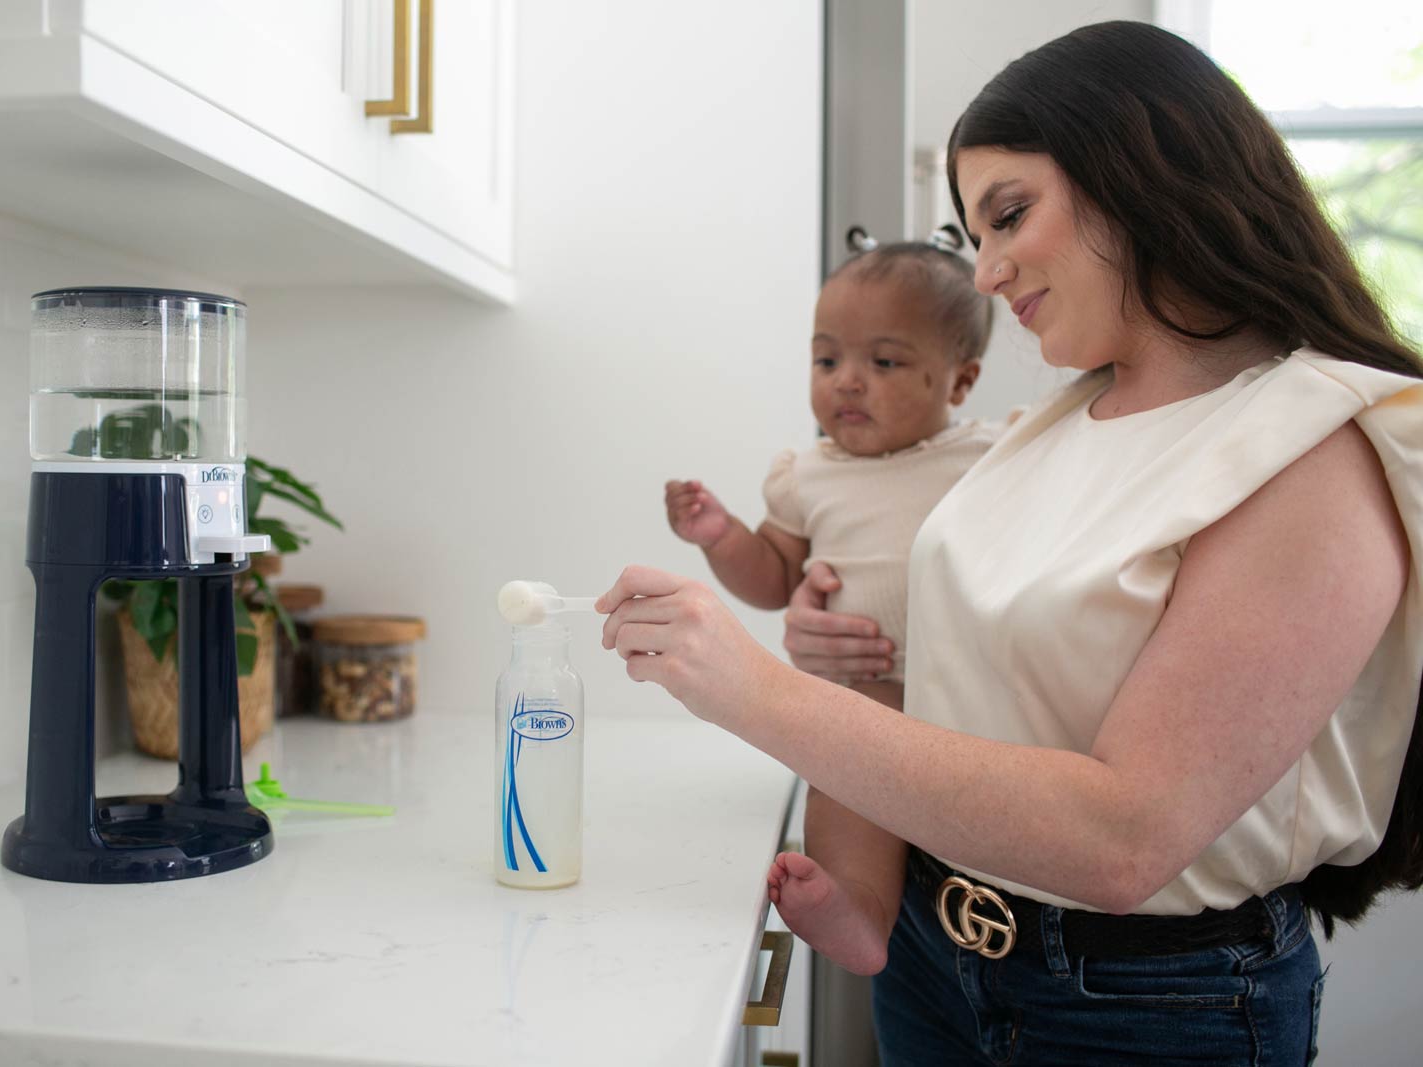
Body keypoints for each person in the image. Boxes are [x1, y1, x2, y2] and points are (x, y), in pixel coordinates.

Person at [595, 21, 1423, 1066]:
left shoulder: (1315, 445)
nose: (983, 274)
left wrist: (752, 687)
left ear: (1142, 172)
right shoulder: (1051, 425)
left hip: (1145, 1003)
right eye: (973, 234)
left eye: (1008, 216)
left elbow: (1125, 836)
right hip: (933, 946)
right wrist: (842, 646)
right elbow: (994, 679)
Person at [664, 227, 997, 714]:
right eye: (826, 359)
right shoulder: (807, 474)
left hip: (974, 691)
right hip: (863, 688)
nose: (847, 382)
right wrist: (724, 538)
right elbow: (775, 578)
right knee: (838, 783)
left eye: (883, 362)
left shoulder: (988, 455)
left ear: (960, 382)